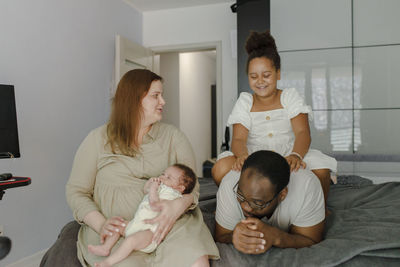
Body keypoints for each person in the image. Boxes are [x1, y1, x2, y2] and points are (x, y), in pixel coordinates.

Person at [66, 69, 219, 267]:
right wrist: (101, 224)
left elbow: (193, 186)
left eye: (161, 95)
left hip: (168, 225)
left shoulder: (174, 137)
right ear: (133, 100)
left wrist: (177, 206)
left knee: (194, 260)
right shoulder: (97, 139)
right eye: (156, 96)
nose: (163, 102)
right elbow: (76, 192)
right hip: (118, 232)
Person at [211, 30, 337, 205]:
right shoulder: (245, 101)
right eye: (253, 76)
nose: (260, 81)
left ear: (278, 74)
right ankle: (246, 204)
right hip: (253, 155)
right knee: (220, 168)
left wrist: (295, 155)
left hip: (288, 152)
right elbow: (238, 139)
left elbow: (302, 133)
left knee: (321, 169)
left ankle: (319, 210)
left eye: (266, 75)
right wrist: (242, 157)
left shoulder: (290, 96)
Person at [215, 150, 325, 254]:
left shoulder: (306, 187)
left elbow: (311, 240)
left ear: (282, 194)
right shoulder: (229, 185)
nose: (245, 207)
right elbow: (221, 236)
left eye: (258, 202)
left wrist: (276, 237)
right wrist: (235, 236)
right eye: (240, 196)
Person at [88, 164, 197, 267]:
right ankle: (105, 247)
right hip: (136, 224)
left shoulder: (172, 195)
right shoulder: (161, 187)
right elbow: (145, 191)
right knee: (117, 224)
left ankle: (107, 262)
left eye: (168, 177)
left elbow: (154, 205)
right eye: (163, 174)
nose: (162, 177)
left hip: (150, 233)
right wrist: (149, 184)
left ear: (180, 188)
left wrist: (154, 189)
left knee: (130, 241)